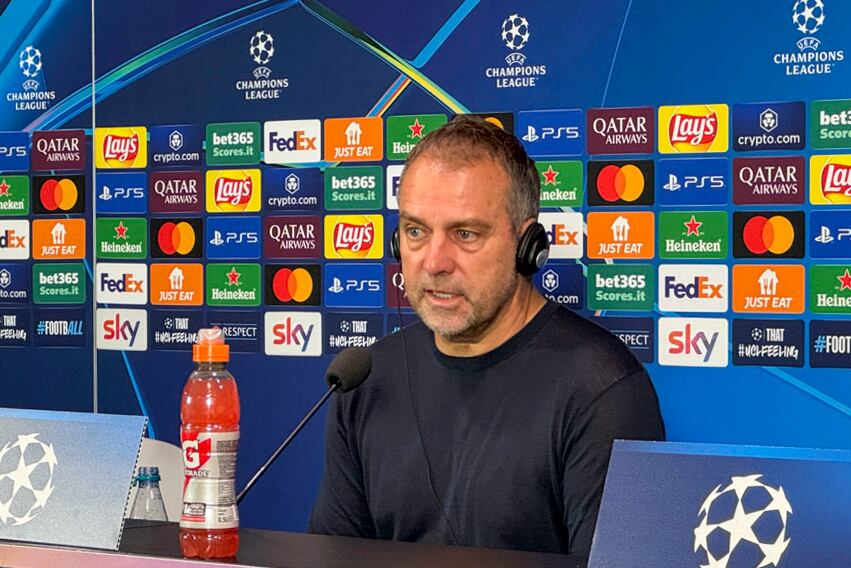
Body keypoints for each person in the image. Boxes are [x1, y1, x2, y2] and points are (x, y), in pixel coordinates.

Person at [309, 115, 664, 555]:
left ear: (526, 243)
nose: (434, 261)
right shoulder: (364, 380)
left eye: (465, 234)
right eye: (416, 231)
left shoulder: (601, 389)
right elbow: (335, 558)